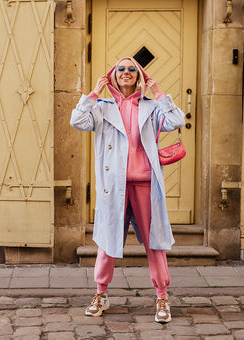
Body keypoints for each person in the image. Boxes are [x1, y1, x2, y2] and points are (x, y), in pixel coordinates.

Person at [70, 57, 185, 323]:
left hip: (145, 184)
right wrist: (93, 93)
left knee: (155, 243)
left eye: (132, 69)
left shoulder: (152, 107)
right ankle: (100, 294)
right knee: (108, 241)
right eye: (120, 69)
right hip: (114, 185)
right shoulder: (101, 107)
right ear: (113, 75)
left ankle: (162, 297)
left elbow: (177, 120)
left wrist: (159, 93)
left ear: (139, 76)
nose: (126, 73)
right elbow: (77, 121)